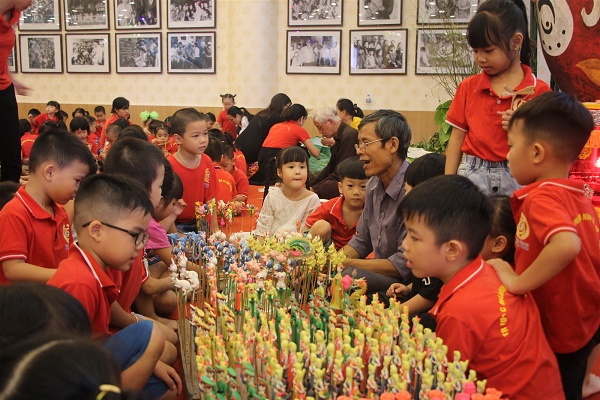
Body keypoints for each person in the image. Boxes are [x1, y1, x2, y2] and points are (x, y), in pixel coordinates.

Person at [400, 174, 563, 399]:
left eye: (414, 237)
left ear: (452, 250)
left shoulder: (459, 312)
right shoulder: (491, 271)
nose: (404, 245)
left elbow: (444, 383)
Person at [488, 92, 600, 400]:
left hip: (561, 327)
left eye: (511, 146)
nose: (507, 155)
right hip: (586, 318)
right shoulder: (578, 194)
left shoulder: (541, 198)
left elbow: (567, 245)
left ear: (536, 153)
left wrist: (517, 282)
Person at [47, 174, 181, 400]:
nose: (140, 246)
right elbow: (61, 365)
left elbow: (98, 337)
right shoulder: (79, 283)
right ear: (97, 231)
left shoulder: (99, 269)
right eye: (135, 235)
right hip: (72, 381)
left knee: (169, 389)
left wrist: (151, 363)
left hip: (93, 360)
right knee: (151, 335)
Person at [444, 0, 551, 196]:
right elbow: (456, 139)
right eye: (475, 51)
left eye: (488, 51)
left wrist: (525, 127)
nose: (480, 58)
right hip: (473, 175)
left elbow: (548, 146)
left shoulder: (539, 91)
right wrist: (448, 185)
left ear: (516, 42)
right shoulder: (468, 87)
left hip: (519, 174)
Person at [103, 138, 179, 343]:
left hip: (127, 313)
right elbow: (109, 303)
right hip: (111, 328)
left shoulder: (136, 224)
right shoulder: (119, 238)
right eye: (160, 187)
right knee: (167, 345)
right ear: (142, 189)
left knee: (171, 340)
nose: (162, 194)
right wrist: (139, 321)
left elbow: (139, 280)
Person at [0, 129, 96, 284]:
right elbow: (13, 269)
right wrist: (67, 274)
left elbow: (67, 257)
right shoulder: (14, 213)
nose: (77, 189)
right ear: (50, 172)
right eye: (77, 181)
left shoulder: (60, 213)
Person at [341, 110, 411, 297]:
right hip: (381, 275)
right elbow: (362, 240)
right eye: (359, 144)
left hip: (407, 284)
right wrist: (333, 260)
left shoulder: (413, 189)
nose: (359, 151)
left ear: (392, 144)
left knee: (350, 276)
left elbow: (404, 263)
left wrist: (347, 264)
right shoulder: (372, 184)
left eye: (366, 143)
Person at [167, 108, 217, 233]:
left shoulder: (206, 161)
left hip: (201, 220)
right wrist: (176, 234)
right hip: (177, 224)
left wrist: (215, 230)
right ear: (178, 139)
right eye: (196, 136)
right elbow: (165, 208)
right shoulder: (170, 165)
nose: (203, 140)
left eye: (205, 133)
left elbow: (211, 199)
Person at [254, 146, 320, 240]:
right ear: (279, 172)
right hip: (270, 244)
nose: (297, 172)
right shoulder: (273, 196)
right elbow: (262, 228)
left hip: (297, 245)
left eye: (302, 167)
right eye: (291, 167)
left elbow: (306, 234)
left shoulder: (312, 199)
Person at [304, 157, 367, 250]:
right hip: (327, 253)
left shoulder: (373, 211)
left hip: (358, 254)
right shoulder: (329, 207)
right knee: (321, 226)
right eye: (350, 186)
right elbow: (306, 230)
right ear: (340, 187)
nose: (356, 192)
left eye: (363, 186)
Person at [0, 0, 30, 183]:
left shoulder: (13, 16)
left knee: (11, 151)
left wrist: (15, 80)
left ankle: (8, 194)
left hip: (5, 88)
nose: (30, 3)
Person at [257, 104, 320, 186]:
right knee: (303, 151)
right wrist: (319, 149)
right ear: (302, 118)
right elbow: (315, 153)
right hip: (278, 158)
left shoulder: (276, 126)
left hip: (263, 157)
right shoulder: (299, 129)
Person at [310, 104, 359, 199]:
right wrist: (311, 184)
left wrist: (314, 189)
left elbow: (341, 172)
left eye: (320, 127)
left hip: (351, 182)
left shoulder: (349, 136)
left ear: (330, 122)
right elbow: (330, 167)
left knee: (326, 187)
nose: (319, 132)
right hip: (342, 177)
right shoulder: (340, 136)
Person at [235, 93, 292, 170]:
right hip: (252, 147)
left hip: (240, 143)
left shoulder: (263, 113)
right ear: (280, 105)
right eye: (287, 107)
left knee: (243, 169)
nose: (289, 110)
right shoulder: (276, 118)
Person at [205, 136, 236, 204]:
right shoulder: (229, 176)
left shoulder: (202, 176)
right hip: (226, 210)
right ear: (221, 157)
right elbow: (233, 199)